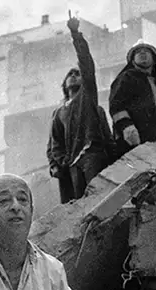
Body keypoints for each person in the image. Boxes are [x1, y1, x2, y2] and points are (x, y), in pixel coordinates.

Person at [47, 13, 115, 203]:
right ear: (64, 84)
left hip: (92, 155)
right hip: (73, 165)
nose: (74, 76)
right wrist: (59, 163)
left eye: (77, 74)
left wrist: (75, 34)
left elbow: (86, 65)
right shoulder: (58, 113)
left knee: (99, 202)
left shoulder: (87, 98)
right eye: (70, 74)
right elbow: (53, 144)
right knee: (79, 207)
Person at [109, 39, 156, 160]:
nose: (142, 52)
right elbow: (116, 105)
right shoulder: (127, 77)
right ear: (132, 60)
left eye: (146, 51)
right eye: (138, 52)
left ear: (154, 60)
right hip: (131, 144)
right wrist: (127, 127)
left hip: (155, 147)